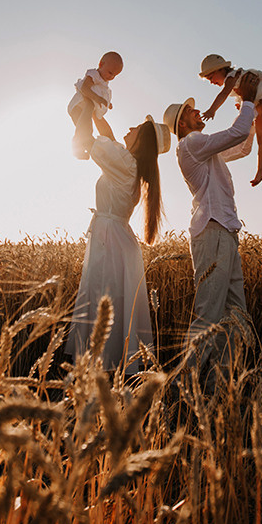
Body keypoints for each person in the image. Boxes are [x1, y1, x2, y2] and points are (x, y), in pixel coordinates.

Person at [163, 70, 260, 373]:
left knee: (236, 315)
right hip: (213, 232)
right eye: (190, 111)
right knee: (210, 315)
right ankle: (187, 384)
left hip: (225, 232)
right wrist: (247, 101)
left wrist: (251, 115)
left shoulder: (205, 150)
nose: (197, 111)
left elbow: (241, 145)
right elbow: (236, 135)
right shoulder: (191, 143)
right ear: (182, 124)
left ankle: (220, 388)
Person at [65, 115, 171, 374]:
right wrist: (96, 115)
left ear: (142, 141)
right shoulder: (128, 163)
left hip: (109, 241)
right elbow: (108, 137)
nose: (131, 127)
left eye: (137, 128)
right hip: (117, 238)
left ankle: (100, 368)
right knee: (113, 304)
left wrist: (85, 104)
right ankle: (108, 370)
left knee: (104, 301)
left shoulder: (124, 163)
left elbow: (93, 141)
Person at [199, 54, 262, 186]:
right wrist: (242, 105)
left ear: (220, 70)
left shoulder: (231, 77)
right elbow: (246, 96)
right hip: (258, 104)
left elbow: (223, 94)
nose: (211, 82)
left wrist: (212, 110)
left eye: (211, 78)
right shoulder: (235, 78)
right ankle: (261, 169)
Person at [68, 51, 124, 159]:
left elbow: (100, 94)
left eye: (114, 75)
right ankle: (76, 146)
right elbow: (84, 88)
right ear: (101, 64)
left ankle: (89, 150)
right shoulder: (94, 74)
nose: (111, 77)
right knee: (87, 126)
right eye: (110, 72)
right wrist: (97, 98)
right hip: (79, 106)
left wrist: (107, 103)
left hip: (87, 109)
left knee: (88, 131)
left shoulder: (103, 84)